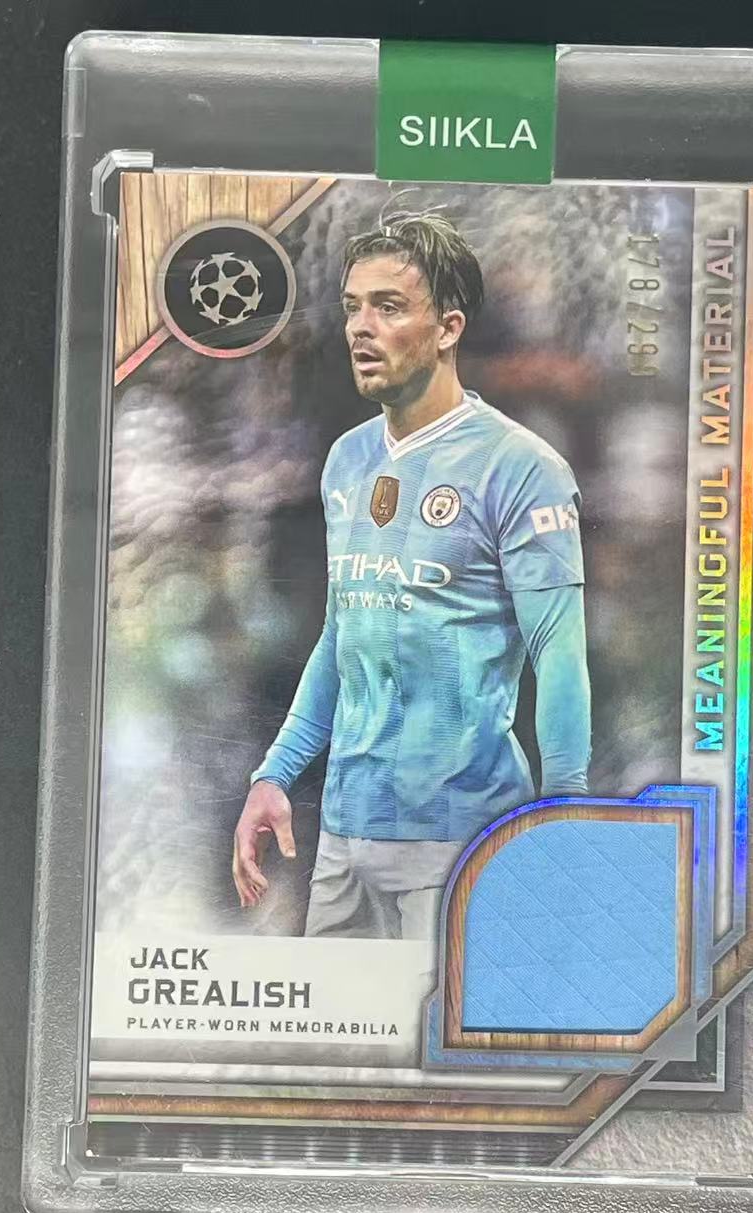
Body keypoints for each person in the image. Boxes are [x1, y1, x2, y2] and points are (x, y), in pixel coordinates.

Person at [233, 210, 591, 941]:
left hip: (463, 844)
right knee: (334, 1017)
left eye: (389, 307)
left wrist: (564, 817)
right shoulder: (347, 461)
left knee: (446, 1019)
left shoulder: (522, 469)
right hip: (345, 839)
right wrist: (274, 774)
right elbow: (342, 636)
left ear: (449, 328)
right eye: (353, 308)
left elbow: (558, 652)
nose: (361, 328)